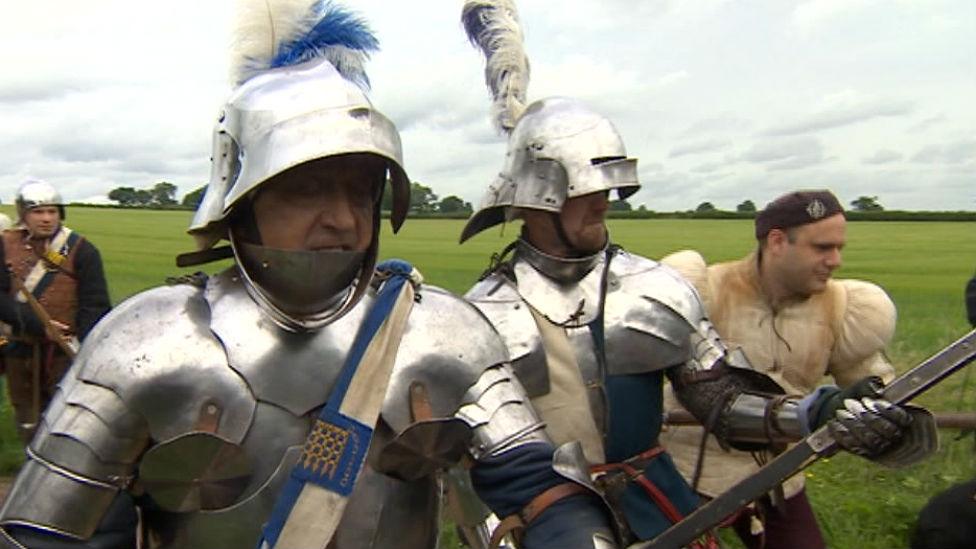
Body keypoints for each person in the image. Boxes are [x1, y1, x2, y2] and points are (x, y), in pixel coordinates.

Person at [0, 3, 615, 548]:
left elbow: (536, 482)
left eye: (360, 190)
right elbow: (50, 530)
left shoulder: (443, 331)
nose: (343, 219)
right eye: (308, 190)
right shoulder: (146, 342)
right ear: (241, 202)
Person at [457, 2, 936, 547]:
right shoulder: (482, 311)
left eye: (607, 190)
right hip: (543, 516)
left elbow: (722, 402)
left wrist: (810, 412)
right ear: (539, 197)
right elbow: (482, 450)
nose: (604, 205)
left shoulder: (653, 289)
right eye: (586, 192)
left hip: (656, 507)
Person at [659, 190, 899, 549]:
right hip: (690, 474)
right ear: (776, 242)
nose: (835, 261)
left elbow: (873, 386)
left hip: (779, 478)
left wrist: (882, 412)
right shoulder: (703, 291)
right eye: (822, 248)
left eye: (839, 248)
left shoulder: (842, 307)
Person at [0, 179, 110, 444]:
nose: (47, 219)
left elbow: (94, 304)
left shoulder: (81, 249)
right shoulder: (4, 245)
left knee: (66, 419)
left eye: (52, 211)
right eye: (38, 212)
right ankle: (31, 474)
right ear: (24, 214)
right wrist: (39, 325)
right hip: (20, 347)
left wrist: (85, 349)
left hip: (64, 352)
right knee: (27, 417)